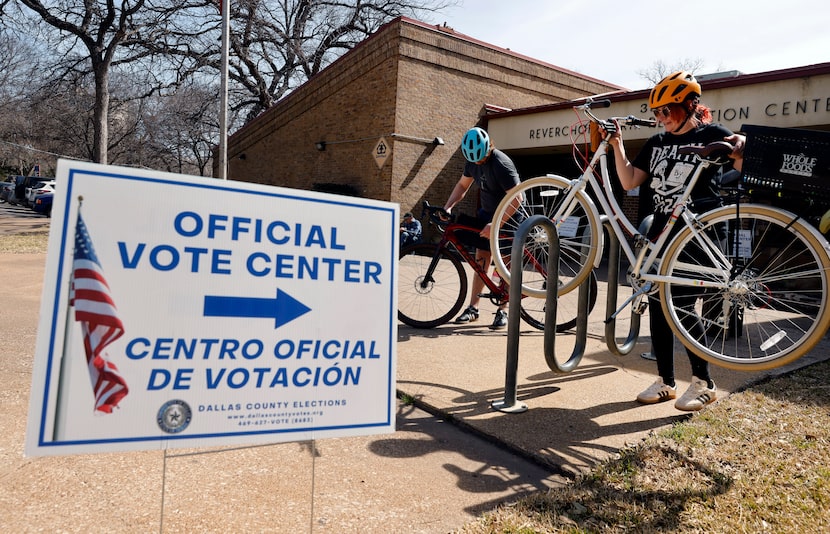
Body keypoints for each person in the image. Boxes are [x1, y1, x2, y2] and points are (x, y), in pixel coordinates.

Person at [606, 71, 744, 411]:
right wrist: (616, 144)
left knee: (680, 305)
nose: (661, 118)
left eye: (667, 110)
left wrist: (740, 142)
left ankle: (703, 383)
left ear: (691, 105)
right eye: (657, 113)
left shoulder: (710, 134)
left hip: (698, 234)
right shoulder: (656, 143)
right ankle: (666, 381)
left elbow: (742, 159)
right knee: (658, 303)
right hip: (661, 234)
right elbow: (629, 181)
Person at [443, 126, 521, 330]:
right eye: (474, 160)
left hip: (509, 216)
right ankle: (473, 308)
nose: (478, 163)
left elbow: (517, 199)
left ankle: (503, 310)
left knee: (505, 266)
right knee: (481, 262)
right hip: (487, 214)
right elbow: (462, 186)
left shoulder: (501, 164)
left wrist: (496, 224)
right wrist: (448, 206)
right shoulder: (472, 162)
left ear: (488, 148)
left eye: (481, 158)